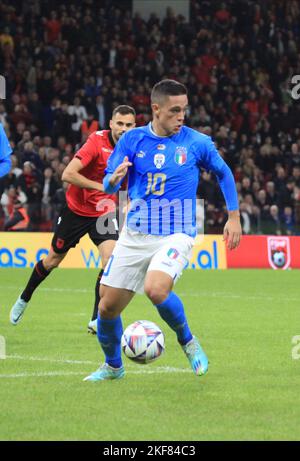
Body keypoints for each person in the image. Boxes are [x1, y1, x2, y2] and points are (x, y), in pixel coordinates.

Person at [84, 79, 242, 382]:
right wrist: (112, 182)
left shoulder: (197, 143)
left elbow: (224, 173)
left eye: (184, 110)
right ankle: (113, 366)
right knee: (106, 307)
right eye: (174, 110)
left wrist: (233, 217)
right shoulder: (132, 140)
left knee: (155, 289)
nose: (181, 116)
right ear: (156, 109)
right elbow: (107, 183)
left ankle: (188, 341)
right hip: (135, 233)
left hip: (177, 231)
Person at [10, 105, 136, 330]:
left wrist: (128, 209)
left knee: (110, 262)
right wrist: (102, 186)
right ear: (111, 124)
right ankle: (24, 297)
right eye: (120, 124)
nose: (124, 129)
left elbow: (128, 187)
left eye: (128, 125)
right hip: (75, 210)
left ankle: (97, 319)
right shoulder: (96, 142)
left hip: (103, 211)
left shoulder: (133, 149)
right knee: (52, 260)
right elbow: (67, 174)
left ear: (134, 127)